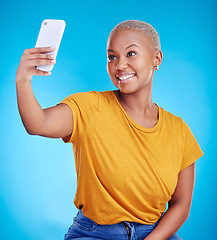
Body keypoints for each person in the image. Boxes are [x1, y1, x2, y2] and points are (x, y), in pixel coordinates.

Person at [16, 20, 203, 240]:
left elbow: (181, 205)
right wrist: (23, 80)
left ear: (157, 58)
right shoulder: (89, 107)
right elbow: (38, 124)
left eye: (131, 54)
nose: (120, 65)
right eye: (112, 57)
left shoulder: (179, 131)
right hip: (94, 234)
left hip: (156, 234)